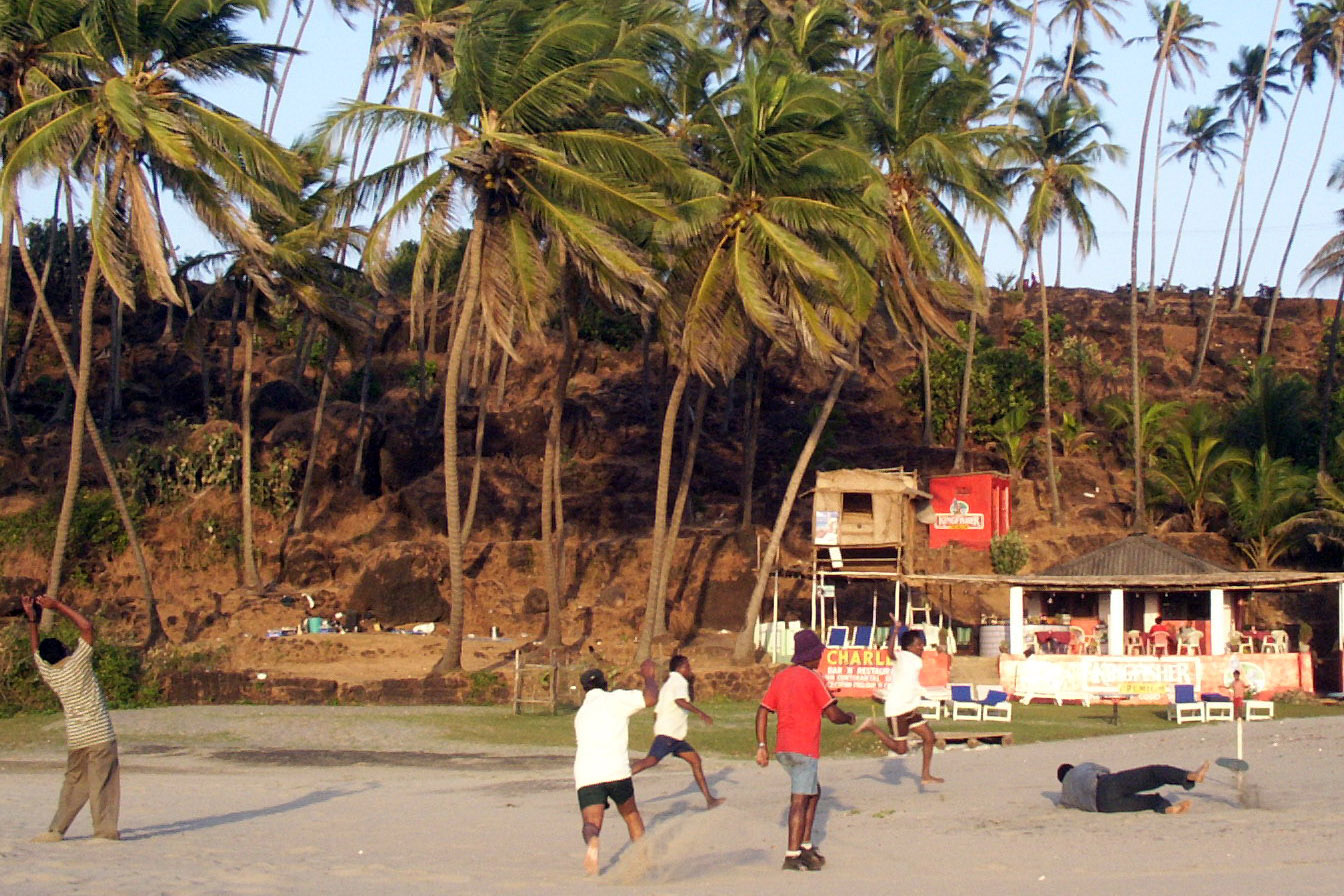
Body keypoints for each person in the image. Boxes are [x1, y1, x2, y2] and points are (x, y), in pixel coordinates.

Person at [21, 594, 121, 842]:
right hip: (100, 735)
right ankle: (104, 830)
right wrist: (57, 606)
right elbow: (86, 627)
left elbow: (35, 650)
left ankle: (56, 829)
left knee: (74, 784)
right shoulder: (79, 664)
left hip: (77, 739)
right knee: (103, 784)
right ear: (66, 649)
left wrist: (32, 619)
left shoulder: (49, 674)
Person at [756, 629, 856, 872]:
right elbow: (833, 715)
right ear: (810, 655)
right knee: (800, 799)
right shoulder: (813, 678)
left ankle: (807, 846)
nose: (821, 658)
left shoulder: (781, 677)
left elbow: (762, 711)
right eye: (818, 654)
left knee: (813, 792)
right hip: (803, 748)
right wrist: (849, 718)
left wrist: (762, 746)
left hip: (783, 750)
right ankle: (792, 854)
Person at [573, 659, 658, 875]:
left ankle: (593, 842)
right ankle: (643, 860)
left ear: (584, 690)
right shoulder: (616, 699)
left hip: (587, 774)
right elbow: (651, 698)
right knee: (630, 815)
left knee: (591, 822)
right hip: (616, 770)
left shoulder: (581, 713)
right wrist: (648, 676)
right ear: (605, 683)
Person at [630, 655, 724, 809]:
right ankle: (621, 775)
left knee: (695, 761)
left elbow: (656, 712)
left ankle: (709, 799)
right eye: (688, 667)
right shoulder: (679, 681)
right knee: (651, 761)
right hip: (669, 734)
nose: (690, 670)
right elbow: (680, 701)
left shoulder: (668, 684)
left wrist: (659, 728)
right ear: (680, 668)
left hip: (674, 735)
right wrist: (701, 714)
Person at [853, 627, 943, 785]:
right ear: (909, 647)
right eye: (919, 645)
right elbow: (890, 653)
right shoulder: (902, 656)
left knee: (929, 737)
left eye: (922, 644)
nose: (922, 647)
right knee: (901, 750)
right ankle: (872, 727)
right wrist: (895, 632)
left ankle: (926, 775)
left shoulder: (916, 660)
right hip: (897, 710)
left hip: (910, 709)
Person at [1057, 759, 1210, 814]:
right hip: (1105, 784)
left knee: (1148, 802)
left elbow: (1067, 805)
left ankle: (1167, 808)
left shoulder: (1065, 795)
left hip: (1103, 807)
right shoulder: (1081, 767)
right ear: (1071, 767)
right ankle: (1190, 776)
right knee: (1153, 773)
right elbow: (1105, 770)